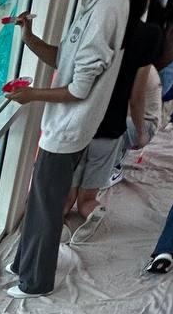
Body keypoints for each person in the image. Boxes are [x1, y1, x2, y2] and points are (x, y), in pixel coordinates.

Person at [4, 0, 133, 297]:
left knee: (47, 205)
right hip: (68, 127)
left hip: (68, 128)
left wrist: (32, 95)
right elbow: (66, 58)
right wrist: (29, 37)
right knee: (40, 198)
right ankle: (23, 262)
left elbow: (78, 88)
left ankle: (36, 281)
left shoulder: (108, 10)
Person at [64, 16, 163, 239]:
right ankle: (94, 212)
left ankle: (56, 227)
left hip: (90, 130)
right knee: (87, 200)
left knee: (67, 198)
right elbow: (136, 101)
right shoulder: (139, 63)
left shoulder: (102, 60)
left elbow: (134, 102)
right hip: (110, 134)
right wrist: (140, 136)